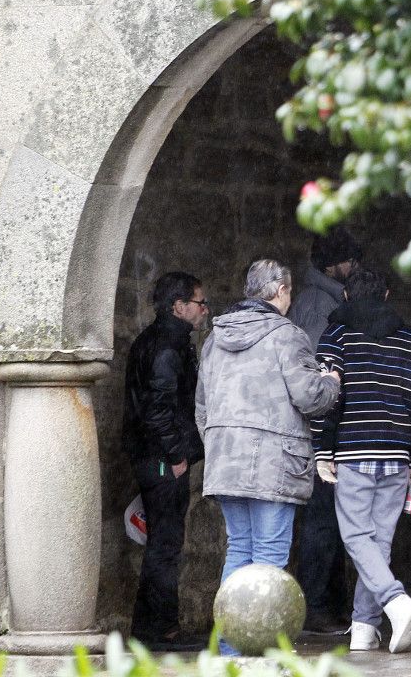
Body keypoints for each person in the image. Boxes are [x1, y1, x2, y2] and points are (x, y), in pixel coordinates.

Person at [195, 259, 341, 654]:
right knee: (270, 557)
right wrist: (331, 381)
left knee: (239, 550)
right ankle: (260, 648)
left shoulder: (214, 339)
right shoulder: (286, 335)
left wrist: (221, 447)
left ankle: (228, 648)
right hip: (274, 463)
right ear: (280, 292)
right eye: (289, 292)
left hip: (226, 461)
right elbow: (310, 397)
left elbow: (202, 409)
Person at [311, 268, 411, 653]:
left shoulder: (337, 335)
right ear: (385, 294)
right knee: (379, 541)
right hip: (397, 454)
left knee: (355, 536)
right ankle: (364, 628)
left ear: (346, 296)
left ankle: (395, 602)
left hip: (353, 451)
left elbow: (325, 398)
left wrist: (323, 450)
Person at [123, 272, 209, 651]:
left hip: (152, 456)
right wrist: (176, 455)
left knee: (162, 542)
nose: (205, 310)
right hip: (161, 460)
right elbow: (159, 409)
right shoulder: (167, 345)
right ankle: (161, 632)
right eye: (199, 303)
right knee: (165, 545)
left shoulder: (154, 339)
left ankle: (148, 628)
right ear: (179, 306)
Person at [287, 227, 363, 635]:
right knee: (321, 523)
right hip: (321, 432)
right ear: (334, 265)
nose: (356, 267)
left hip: (320, 430)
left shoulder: (322, 299)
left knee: (327, 522)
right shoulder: (320, 306)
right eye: (351, 260)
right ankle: (318, 608)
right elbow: (320, 375)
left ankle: (328, 606)